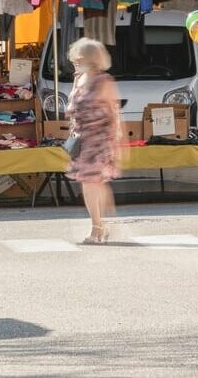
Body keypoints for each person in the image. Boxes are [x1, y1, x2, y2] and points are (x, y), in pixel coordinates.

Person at [64, 38, 122, 244]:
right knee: (93, 184)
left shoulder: (103, 81)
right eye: (76, 57)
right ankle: (102, 225)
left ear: (91, 59)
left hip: (99, 140)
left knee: (91, 183)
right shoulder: (78, 79)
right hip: (83, 139)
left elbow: (114, 113)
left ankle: (97, 227)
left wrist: (117, 143)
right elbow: (70, 108)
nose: (76, 61)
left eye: (81, 57)